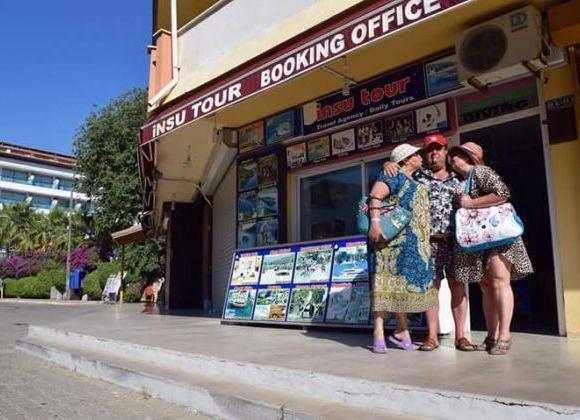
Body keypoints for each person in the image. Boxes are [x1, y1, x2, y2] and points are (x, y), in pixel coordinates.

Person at [384, 134, 474, 352]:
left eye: (438, 148)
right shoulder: (417, 177)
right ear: (425, 154)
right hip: (427, 243)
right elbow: (394, 176)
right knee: (430, 290)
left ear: (445, 150)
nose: (434, 153)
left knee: (458, 287)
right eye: (429, 150)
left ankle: (460, 336)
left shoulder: (459, 178)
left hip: (455, 241)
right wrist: (388, 164)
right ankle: (432, 336)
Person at [448, 141, 533, 355]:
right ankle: (492, 336)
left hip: (497, 237)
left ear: (469, 156)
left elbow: (502, 193)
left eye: (457, 153)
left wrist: (471, 204)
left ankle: (504, 335)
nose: (452, 157)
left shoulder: (481, 171)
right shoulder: (463, 180)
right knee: (487, 285)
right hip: (481, 240)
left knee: (499, 282)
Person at [368, 143, 436, 353]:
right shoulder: (393, 174)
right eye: (416, 154)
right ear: (406, 159)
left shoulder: (414, 178)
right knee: (384, 284)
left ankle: (402, 330)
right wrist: (375, 223)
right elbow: (376, 195)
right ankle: (378, 333)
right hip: (391, 242)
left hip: (413, 244)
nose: (421, 157)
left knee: (402, 287)